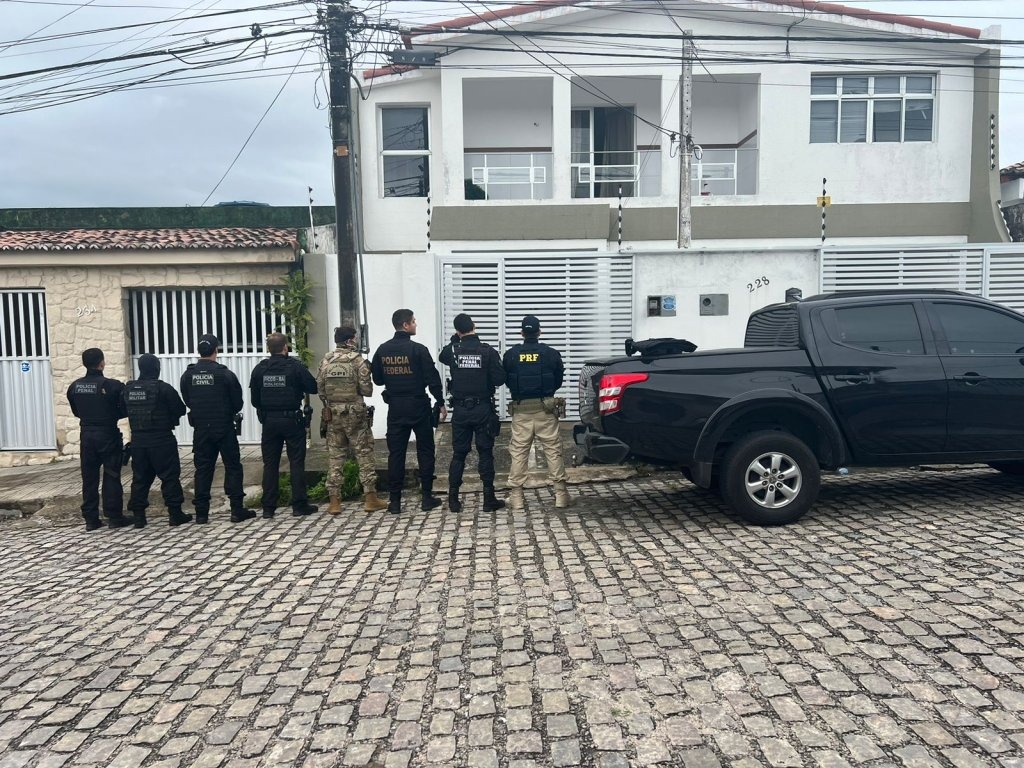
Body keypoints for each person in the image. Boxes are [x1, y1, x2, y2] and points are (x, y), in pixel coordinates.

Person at [371, 309, 447, 514]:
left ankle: (395, 501)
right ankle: (426, 497)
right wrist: (440, 402)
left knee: (396, 453)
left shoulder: (382, 350)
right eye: (413, 321)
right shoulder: (418, 350)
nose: (415, 324)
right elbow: (432, 379)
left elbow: (377, 379)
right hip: (418, 405)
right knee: (425, 450)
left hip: (395, 407)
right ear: (405, 325)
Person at [180, 334, 256, 524]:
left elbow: (187, 399)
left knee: (203, 469)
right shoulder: (225, 374)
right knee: (232, 466)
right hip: (224, 427)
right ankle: (237, 510)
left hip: (201, 429)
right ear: (216, 350)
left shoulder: (188, 375)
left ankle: (201, 514)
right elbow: (237, 403)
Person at [439, 313, 506, 513]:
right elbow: (499, 379)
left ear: (458, 331)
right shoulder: (487, 351)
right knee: (485, 452)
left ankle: (453, 499)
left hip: (460, 410)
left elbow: (443, 355)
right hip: (482, 409)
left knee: (459, 453)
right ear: (474, 326)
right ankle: (488, 498)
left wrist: (455, 339)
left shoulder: (453, 350)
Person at [316, 326, 387, 514]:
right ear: (349, 341)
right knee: (364, 454)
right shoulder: (357, 361)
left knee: (335, 456)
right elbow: (367, 391)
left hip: (333, 414)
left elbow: (320, 389)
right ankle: (370, 498)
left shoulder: (326, 360)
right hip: (355, 414)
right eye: (354, 338)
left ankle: (334, 501)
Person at [502, 315, 570, 510]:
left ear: (522, 333)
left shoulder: (511, 354)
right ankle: (560, 495)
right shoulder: (550, 353)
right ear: (539, 332)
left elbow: (506, 378)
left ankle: (516, 497)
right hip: (546, 410)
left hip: (521, 410)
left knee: (519, 453)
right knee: (553, 450)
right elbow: (558, 379)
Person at [250, 332, 319, 518]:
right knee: (296, 463)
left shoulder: (260, 369)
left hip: (269, 422)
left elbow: (255, 400)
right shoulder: (295, 367)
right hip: (292, 420)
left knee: (270, 464)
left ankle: (268, 508)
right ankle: (299, 505)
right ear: (285, 348)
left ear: (268, 349)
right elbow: (313, 387)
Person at [123, 353, 190, 528]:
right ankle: (175, 514)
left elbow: (122, 410)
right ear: (156, 368)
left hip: (138, 441)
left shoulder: (128, 389)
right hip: (162, 440)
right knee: (169, 477)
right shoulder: (164, 389)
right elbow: (180, 409)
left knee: (140, 479)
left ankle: (139, 517)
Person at [66, 348, 131, 531]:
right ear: (102, 363)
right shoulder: (112, 385)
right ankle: (114, 516)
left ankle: (91, 519)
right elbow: (123, 410)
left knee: (89, 477)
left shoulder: (74, 386)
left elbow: (76, 411)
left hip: (86, 434)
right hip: (107, 433)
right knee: (111, 475)